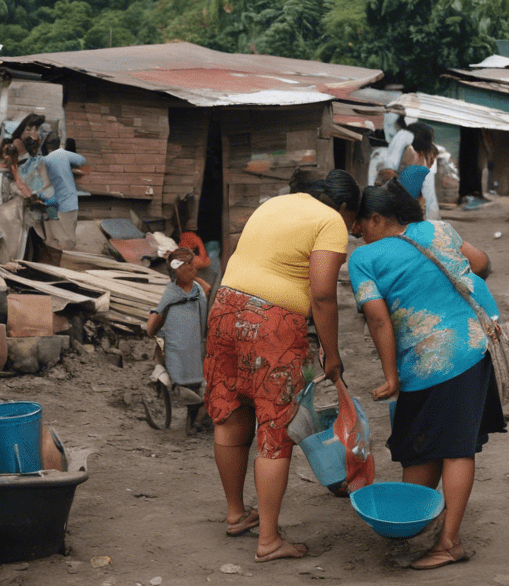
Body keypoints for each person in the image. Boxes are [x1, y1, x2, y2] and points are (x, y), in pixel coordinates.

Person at [203, 168, 361, 562]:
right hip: (271, 325)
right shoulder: (329, 221)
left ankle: (237, 513)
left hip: (224, 308)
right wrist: (332, 353)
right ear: (343, 208)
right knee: (274, 431)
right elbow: (323, 294)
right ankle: (269, 540)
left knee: (231, 413)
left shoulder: (273, 203)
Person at [349, 181, 505, 570]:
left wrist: (390, 377)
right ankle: (420, 522)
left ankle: (449, 542)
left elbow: (377, 319)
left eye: (359, 225)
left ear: (377, 218)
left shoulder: (363, 259)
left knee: (452, 446)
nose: (357, 234)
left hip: (429, 359)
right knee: (424, 442)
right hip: (473, 346)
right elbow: (481, 263)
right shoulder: (439, 229)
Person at [145, 246, 207, 433]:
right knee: (179, 382)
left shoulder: (198, 291)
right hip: (175, 346)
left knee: (196, 384)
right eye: (186, 266)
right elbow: (157, 318)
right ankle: (188, 415)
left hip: (194, 345)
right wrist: (157, 336)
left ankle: (192, 423)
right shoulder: (171, 292)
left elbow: (204, 316)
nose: (191, 269)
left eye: (191, 265)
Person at [42, 139, 87, 253]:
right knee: (69, 235)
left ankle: (62, 257)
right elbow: (82, 160)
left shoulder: (45, 160)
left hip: (56, 201)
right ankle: (68, 255)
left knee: (58, 236)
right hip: (70, 200)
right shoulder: (64, 154)